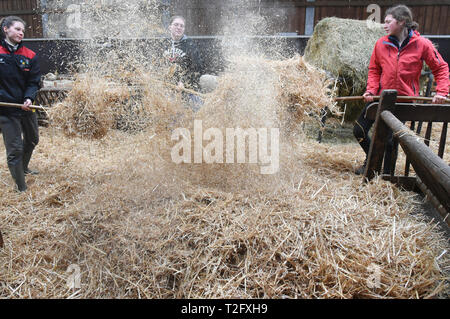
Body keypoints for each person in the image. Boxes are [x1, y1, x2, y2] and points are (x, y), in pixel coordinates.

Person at [353, 5, 449, 175]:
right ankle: (372, 161)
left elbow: (441, 68)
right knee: (359, 129)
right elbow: (374, 70)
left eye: (388, 21)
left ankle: (387, 176)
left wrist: (441, 92)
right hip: (380, 97)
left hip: (403, 100)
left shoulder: (422, 44)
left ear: (402, 22)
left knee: (391, 141)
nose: (385, 25)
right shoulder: (381, 44)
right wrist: (370, 91)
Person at [0, 16, 41, 192]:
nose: (21, 32)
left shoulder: (30, 56)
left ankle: (23, 168)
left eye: (22, 30)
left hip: (25, 106)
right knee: (15, 148)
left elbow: (34, 81)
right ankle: (21, 186)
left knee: (32, 139)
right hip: (6, 109)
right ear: (5, 29)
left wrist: (29, 98)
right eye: (17, 29)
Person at [162, 15, 204, 111]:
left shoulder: (190, 45)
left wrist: (184, 82)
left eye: (182, 26)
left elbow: (198, 68)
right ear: (170, 27)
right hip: (169, 87)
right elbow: (159, 65)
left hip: (189, 89)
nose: (179, 27)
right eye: (176, 24)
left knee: (197, 117)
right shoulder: (163, 44)